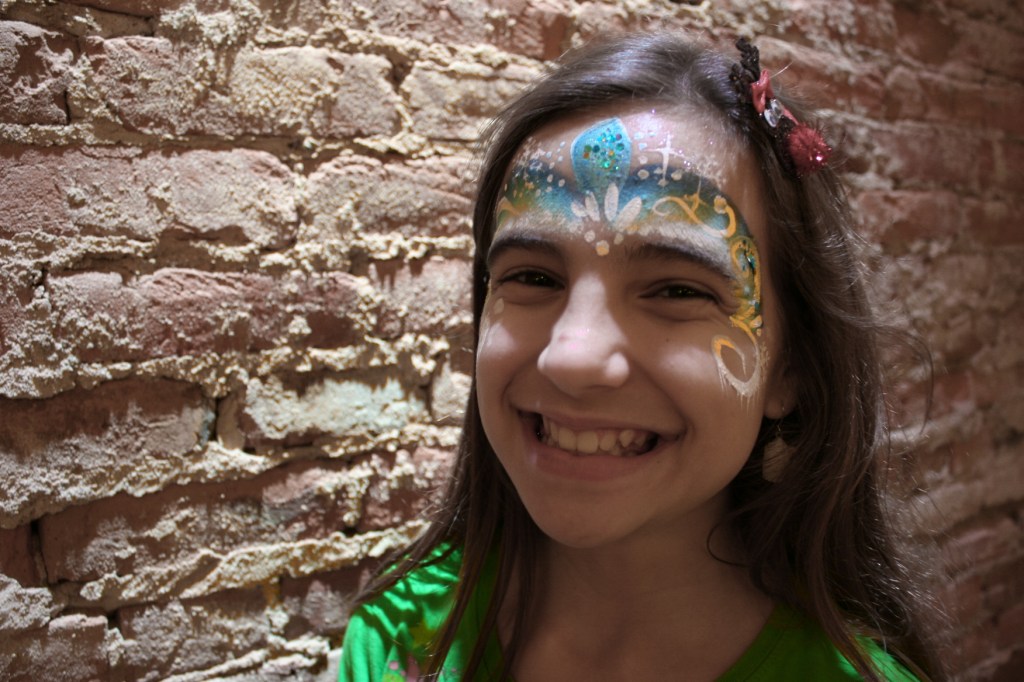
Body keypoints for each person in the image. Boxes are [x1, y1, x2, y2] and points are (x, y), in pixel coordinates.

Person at [339, 33, 945, 681]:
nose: (574, 358)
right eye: (533, 278)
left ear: (790, 366)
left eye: (678, 290)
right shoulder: (401, 643)